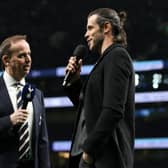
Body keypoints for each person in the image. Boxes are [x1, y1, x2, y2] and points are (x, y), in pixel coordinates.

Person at [64, 8, 135, 168]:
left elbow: (113, 110)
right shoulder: (105, 60)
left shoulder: (117, 56)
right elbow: (90, 110)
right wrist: (74, 82)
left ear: (106, 27)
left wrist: (88, 154)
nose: (85, 34)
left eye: (90, 28)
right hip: (93, 157)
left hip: (103, 158)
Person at [0, 35, 51, 168]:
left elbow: (42, 141)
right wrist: (9, 121)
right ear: (6, 60)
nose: (28, 59)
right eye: (22, 55)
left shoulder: (37, 95)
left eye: (29, 54)